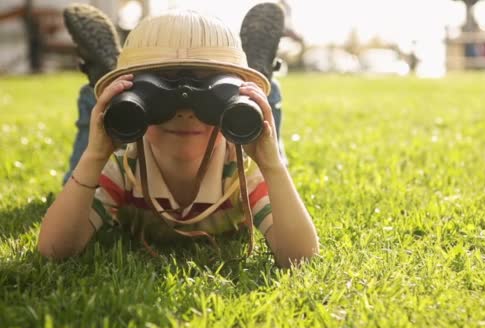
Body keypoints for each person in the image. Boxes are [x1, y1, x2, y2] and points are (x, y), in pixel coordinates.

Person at [38, 8, 319, 268]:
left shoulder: (241, 171)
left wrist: (272, 166)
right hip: (133, 138)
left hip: (233, 134)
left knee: (260, 124)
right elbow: (54, 249)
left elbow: (300, 256)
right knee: (84, 160)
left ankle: (258, 76)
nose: (184, 112)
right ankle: (108, 83)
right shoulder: (124, 168)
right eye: (159, 93)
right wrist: (95, 156)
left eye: (211, 94)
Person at [62, 2, 289, 184]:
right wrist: (98, 151)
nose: (185, 113)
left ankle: (110, 77)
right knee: (117, 123)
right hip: (140, 144)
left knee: (253, 124)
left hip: (222, 149)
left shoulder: (244, 175)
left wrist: (245, 103)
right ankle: (257, 80)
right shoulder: (120, 171)